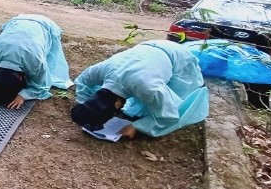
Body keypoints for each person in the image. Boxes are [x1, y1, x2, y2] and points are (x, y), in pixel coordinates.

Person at [71, 39, 209, 138]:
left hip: (177, 56)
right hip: (147, 48)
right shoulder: (100, 70)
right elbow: (82, 82)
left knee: (180, 99)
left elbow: (169, 115)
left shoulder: (149, 88)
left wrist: (137, 127)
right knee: (148, 97)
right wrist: (85, 104)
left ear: (118, 104)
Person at [0, 14, 73, 109]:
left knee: (51, 64)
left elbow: (41, 85)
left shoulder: (36, 61)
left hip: (45, 26)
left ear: (21, 78)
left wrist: (23, 95)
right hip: (17, 22)